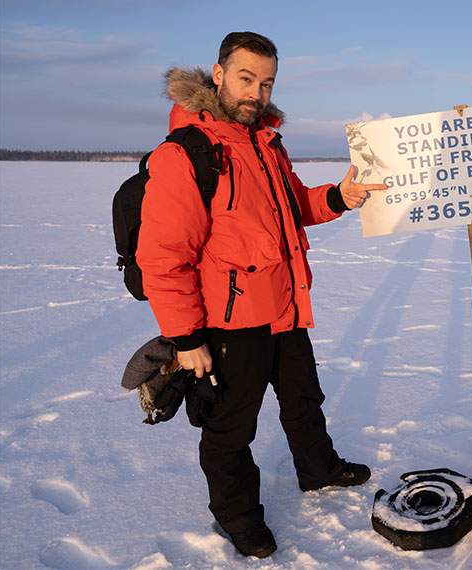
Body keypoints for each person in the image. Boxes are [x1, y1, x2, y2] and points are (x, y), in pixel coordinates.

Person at [136, 31, 386, 558]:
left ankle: (317, 469)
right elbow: (162, 258)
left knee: (303, 401)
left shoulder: (265, 142)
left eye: (267, 83)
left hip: (284, 305)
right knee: (230, 429)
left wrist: (339, 196)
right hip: (229, 322)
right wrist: (185, 338)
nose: (257, 93)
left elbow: (292, 204)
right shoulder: (185, 154)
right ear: (219, 73)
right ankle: (237, 517)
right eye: (247, 79)